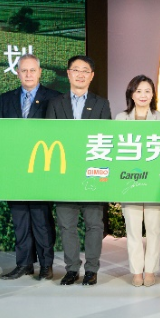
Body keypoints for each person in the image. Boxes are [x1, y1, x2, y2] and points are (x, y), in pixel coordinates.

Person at [46, 55, 111, 286]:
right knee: (67, 225)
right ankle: (72, 269)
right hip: (64, 173)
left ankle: (91, 269)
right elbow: (50, 139)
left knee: (94, 224)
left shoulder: (101, 104)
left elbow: (106, 139)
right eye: (76, 70)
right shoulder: (56, 103)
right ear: (68, 74)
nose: (80, 74)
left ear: (92, 76)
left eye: (85, 71)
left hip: (92, 172)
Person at [0, 54, 61, 281]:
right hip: (15, 169)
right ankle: (24, 264)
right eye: (24, 70)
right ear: (17, 73)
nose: (29, 74)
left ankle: (46, 264)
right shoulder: (6, 99)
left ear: (40, 72)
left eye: (33, 70)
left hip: (42, 168)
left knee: (41, 219)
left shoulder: (54, 98)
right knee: (20, 219)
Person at [115, 75, 160, 287]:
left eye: (147, 91)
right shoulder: (121, 118)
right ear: (131, 94)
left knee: (154, 229)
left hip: (154, 181)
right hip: (130, 181)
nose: (143, 95)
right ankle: (137, 271)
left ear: (153, 94)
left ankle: (151, 269)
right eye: (138, 91)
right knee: (133, 229)